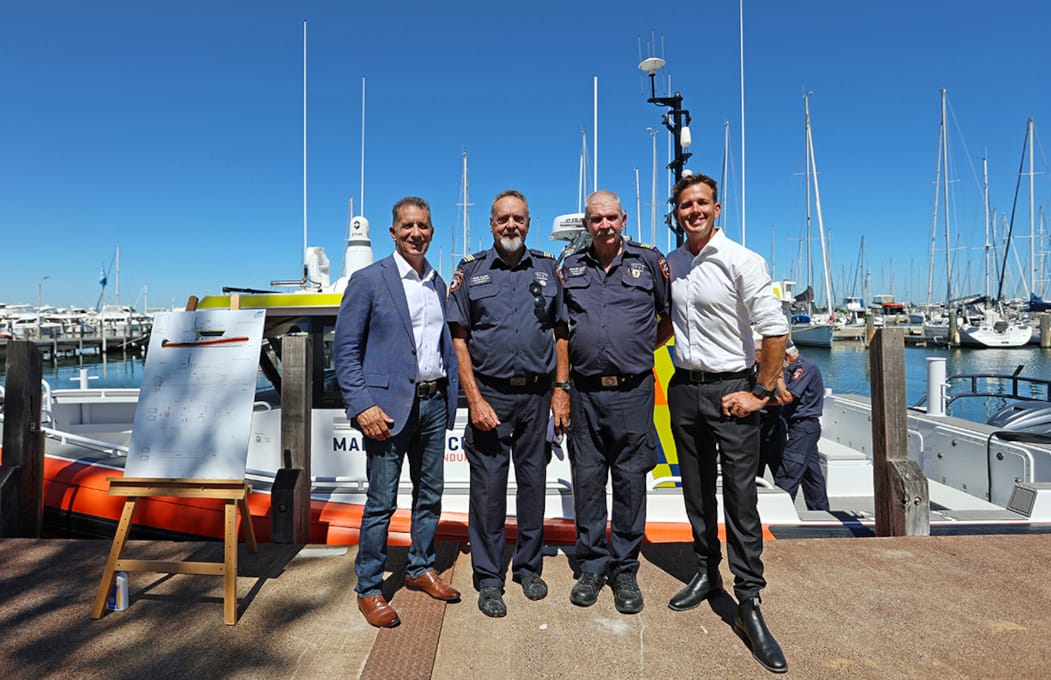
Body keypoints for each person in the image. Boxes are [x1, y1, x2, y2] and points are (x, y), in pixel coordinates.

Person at [661, 173, 790, 674]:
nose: (693, 211)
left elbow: (774, 328)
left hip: (731, 388)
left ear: (717, 208)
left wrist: (761, 393)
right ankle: (706, 572)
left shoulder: (741, 260)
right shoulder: (672, 263)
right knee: (695, 491)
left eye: (701, 203)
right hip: (684, 388)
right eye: (685, 205)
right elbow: (666, 323)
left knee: (740, 498)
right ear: (677, 213)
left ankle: (749, 600)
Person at [333, 196, 461, 629]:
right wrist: (362, 405)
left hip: (434, 403)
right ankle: (369, 587)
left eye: (423, 226)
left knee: (431, 495)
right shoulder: (369, 280)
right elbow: (345, 351)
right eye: (407, 226)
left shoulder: (438, 284)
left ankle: (420, 567)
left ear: (432, 231)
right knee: (381, 503)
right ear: (393, 232)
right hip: (386, 411)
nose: (415, 234)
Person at [446, 189, 570, 618]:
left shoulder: (549, 269)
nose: (510, 225)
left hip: (537, 395)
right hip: (490, 395)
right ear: (492, 224)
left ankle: (529, 568)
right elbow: (458, 339)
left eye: (518, 218)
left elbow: (561, 333)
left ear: (529, 223)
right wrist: (474, 399)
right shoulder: (471, 271)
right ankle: (488, 577)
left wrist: (561, 390)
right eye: (503, 219)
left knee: (533, 484)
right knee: (488, 489)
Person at [560, 190, 670, 614]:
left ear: (623, 219)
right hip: (585, 391)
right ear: (587, 224)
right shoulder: (570, 267)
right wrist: (561, 388)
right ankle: (591, 566)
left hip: (632, 391)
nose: (604, 225)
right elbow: (561, 331)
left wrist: (639, 349)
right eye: (596, 219)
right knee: (588, 480)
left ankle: (625, 568)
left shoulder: (649, 262)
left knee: (629, 482)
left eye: (610, 218)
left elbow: (669, 317)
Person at [775, 340, 830, 511]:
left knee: (788, 472)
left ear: (785, 355)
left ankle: (779, 513)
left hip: (803, 427)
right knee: (811, 475)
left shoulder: (804, 367)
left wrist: (778, 376)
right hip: (800, 427)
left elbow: (787, 397)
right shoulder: (793, 369)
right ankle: (821, 513)